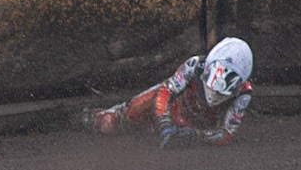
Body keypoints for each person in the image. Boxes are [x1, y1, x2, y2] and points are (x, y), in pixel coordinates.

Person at [85, 36, 254, 148]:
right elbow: (166, 90)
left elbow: (226, 133)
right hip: (165, 110)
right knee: (110, 122)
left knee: (142, 139)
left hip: (189, 127)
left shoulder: (243, 94)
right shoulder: (195, 65)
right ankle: (90, 118)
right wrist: (165, 124)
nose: (214, 95)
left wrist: (195, 136)